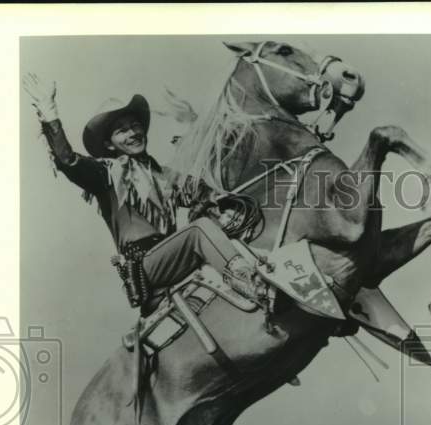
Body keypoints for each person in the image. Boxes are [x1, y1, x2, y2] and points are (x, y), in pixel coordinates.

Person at [22, 74, 256, 309]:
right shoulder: (105, 175)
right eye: (121, 131)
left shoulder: (165, 175)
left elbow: (206, 191)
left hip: (174, 255)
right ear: (109, 145)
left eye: (135, 126)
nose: (132, 133)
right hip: (145, 266)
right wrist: (49, 113)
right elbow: (67, 160)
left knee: (218, 222)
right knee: (198, 230)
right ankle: (252, 285)